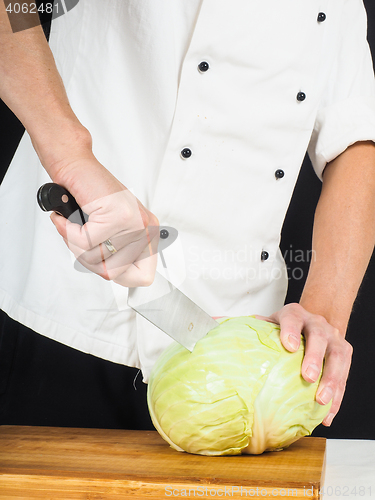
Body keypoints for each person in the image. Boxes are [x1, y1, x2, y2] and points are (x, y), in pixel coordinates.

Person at [0, 0, 375, 431]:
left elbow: (354, 137)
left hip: (236, 364)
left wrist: (323, 319)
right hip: (62, 309)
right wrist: (71, 157)